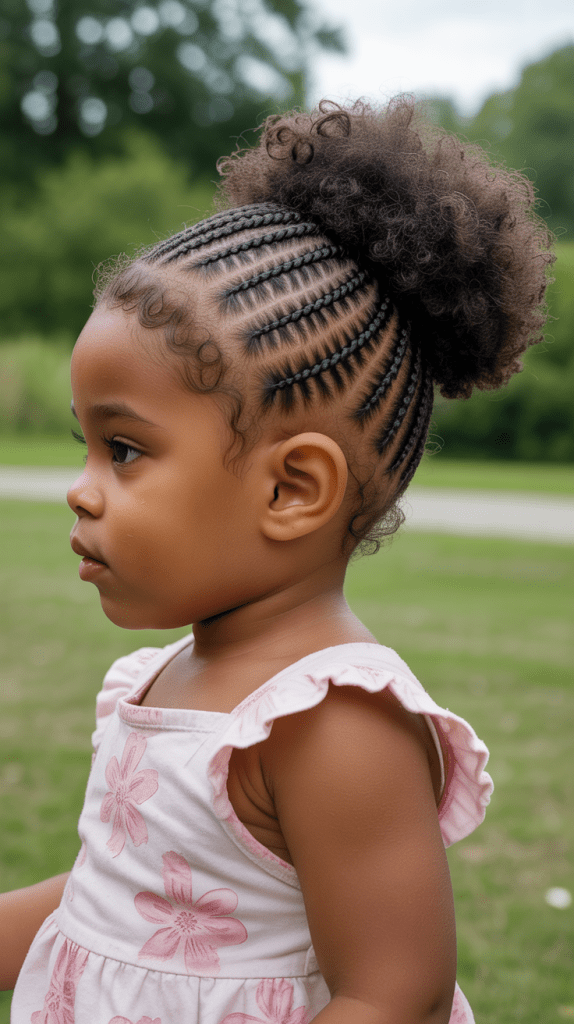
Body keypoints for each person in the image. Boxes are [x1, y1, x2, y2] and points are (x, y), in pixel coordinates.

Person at [2, 98, 553, 1024]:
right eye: (84, 447)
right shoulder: (169, 674)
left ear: (292, 490)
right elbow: (120, 899)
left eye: (124, 451)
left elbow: (395, 994)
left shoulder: (332, 723)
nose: (81, 491)